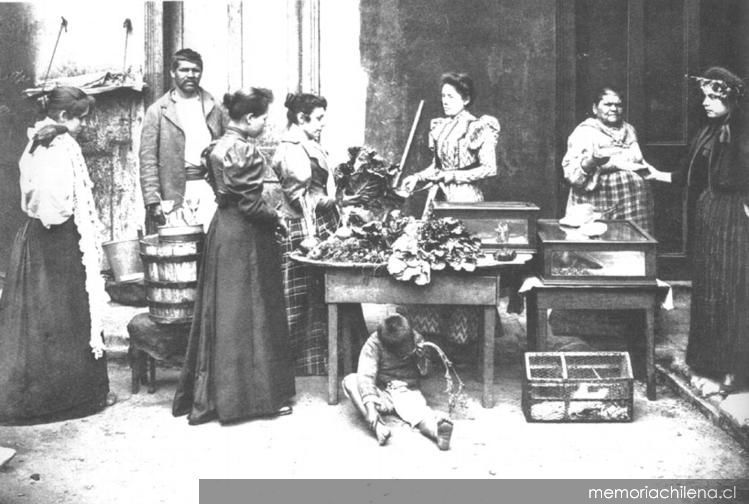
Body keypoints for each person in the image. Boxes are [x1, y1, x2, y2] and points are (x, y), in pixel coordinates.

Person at [172, 88, 295, 425]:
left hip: (223, 232)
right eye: (263, 118)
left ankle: (220, 396)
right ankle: (251, 400)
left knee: (225, 312)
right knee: (250, 313)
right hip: (246, 238)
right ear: (250, 118)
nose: (264, 124)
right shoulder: (242, 150)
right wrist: (279, 218)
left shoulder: (215, 147)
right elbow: (251, 203)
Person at [0, 86, 114, 424]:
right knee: (61, 315)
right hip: (54, 239)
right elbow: (54, 204)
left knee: (54, 317)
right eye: (80, 118)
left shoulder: (40, 137)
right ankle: (63, 397)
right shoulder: (56, 144)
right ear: (64, 116)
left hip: (40, 236)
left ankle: (63, 391)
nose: (82, 125)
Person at [647, 67, 749, 397]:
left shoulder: (741, 131)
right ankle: (712, 367)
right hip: (710, 215)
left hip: (733, 217)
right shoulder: (710, 129)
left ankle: (730, 374)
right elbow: (687, 175)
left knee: (730, 293)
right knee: (710, 289)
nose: (705, 102)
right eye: (704, 95)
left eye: (713, 97)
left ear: (729, 98)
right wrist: (653, 173)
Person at [400, 72, 500, 346]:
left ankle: (462, 338)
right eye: (443, 96)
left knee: (461, 264)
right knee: (434, 260)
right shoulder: (440, 126)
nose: (445, 101)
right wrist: (418, 177)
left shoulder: (479, 127)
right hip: (438, 199)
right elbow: (437, 168)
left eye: (451, 96)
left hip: (465, 200)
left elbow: (489, 169)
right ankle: (432, 335)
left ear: (466, 99)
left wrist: (453, 176)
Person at [272, 92, 368, 375]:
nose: (323, 124)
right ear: (301, 119)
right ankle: (295, 365)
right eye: (318, 119)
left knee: (325, 294)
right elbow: (299, 198)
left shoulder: (307, 142)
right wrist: (339, 201)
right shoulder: (291, 149)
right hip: (303, 227)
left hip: (319, 222)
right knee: (303, 297)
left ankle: (327, 361)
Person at [139, 48, 226, 234]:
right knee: (182, 248)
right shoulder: (158, 111)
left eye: (196, 70)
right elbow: (148, 161)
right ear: (173, 73)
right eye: (184, 70)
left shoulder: (215, 106)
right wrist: (153, 201)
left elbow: (228, 148)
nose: (191, 75)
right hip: (175, 193)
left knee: (213, 247)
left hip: (210, 190)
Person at [342, 314, 454, 450]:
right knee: (351, 381)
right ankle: (378, 427)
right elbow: (366, 375)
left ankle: (437, 432)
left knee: (421, 416)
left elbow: (426, 373)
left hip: (405, 390)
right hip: (380, 392)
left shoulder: (416, 338)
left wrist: (422, 358)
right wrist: (370, 408)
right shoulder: (374, 343)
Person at [561, 87, 655, 233]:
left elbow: (638, 160)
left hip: (633, 203)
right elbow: (571, 175)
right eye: (608, 104)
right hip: (600, 202)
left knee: (634, 247)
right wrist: (592, 161)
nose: (614, 109)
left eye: (618, 105)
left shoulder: (629, 130)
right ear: (594, 108)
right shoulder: (584, 132)